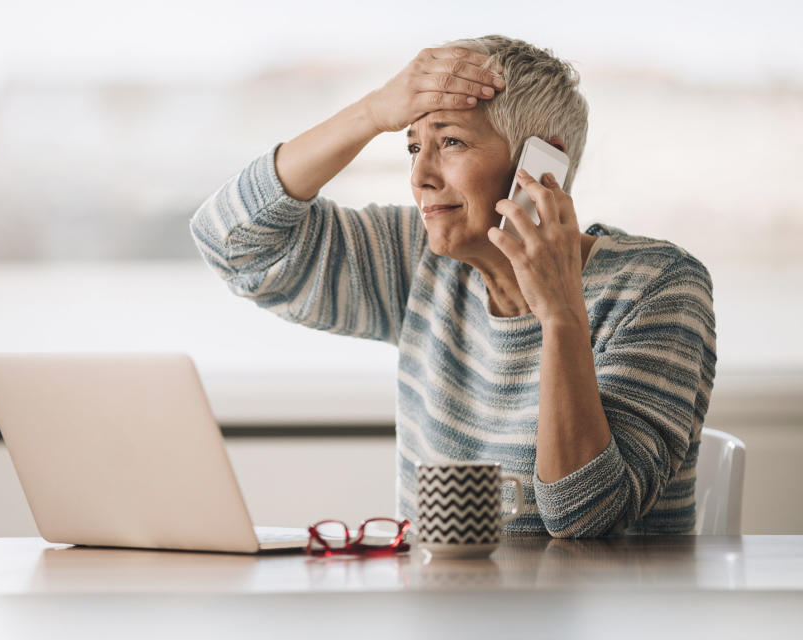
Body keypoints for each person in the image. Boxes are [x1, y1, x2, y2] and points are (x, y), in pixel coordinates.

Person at [189, 35, 717, 537]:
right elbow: (230, 241)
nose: (420, 175)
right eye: (413, 147)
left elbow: (586, 516)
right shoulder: (419, 260)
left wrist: (560, 314)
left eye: (451, 142)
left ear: (543, 168)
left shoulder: (657, 287)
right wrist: (371, 113)